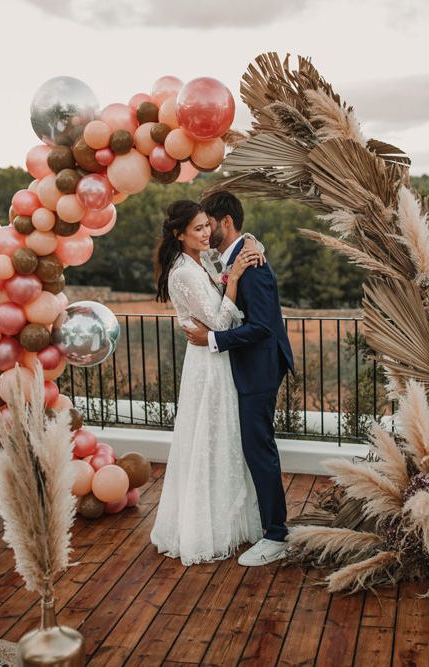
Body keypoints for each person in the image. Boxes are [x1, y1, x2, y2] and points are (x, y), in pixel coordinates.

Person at [149, 200, 265, 565]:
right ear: (178, 234)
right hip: (207, 364)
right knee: (207, 440)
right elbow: (219, 321)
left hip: (217, 360)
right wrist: (234, 284)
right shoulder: (183, 272)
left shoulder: (204, 261)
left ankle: (229, 521)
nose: (205, 233)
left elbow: (228, 269)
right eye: (197, 229)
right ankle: (203, 527)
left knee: (223, 439)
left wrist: (252, 250)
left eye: (206, 226)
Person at [183, 191, 295, 567]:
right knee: (252, 448)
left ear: (225, 223)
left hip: (259, 369)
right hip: (246, 367)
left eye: (208, 224)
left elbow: (263, 327)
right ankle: (262, 524)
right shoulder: (236, 257)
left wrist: (212, 339)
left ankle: (277, 535)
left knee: (258, 450)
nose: (204, 231)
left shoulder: (255, 266)